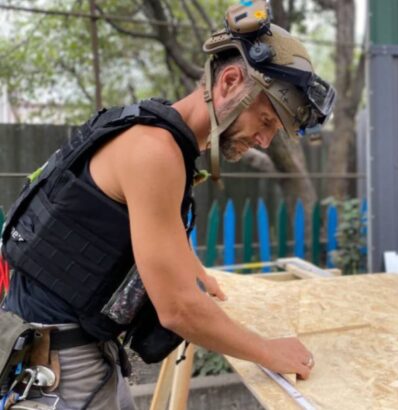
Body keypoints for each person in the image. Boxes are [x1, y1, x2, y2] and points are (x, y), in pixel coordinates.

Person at [0, 1, 335, 409]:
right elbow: (177, 310)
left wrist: (192, 269)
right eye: (265, 121)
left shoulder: (153, 132)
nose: (264, 141)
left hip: (63, 351)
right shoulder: (155, 152)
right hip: (62, 370)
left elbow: (119, 227)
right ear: (229, 80)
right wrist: (269, 351)